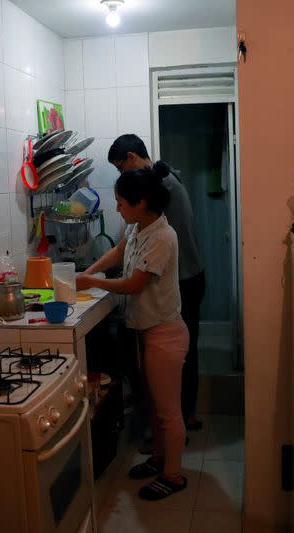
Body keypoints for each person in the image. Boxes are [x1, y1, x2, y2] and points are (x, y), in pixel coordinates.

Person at [76, 162, 189, 500]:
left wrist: (91, 282)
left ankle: (173, 475)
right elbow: (118, 252)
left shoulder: (163, 237)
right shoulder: (139, 227)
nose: (117, 208)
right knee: (153, 404)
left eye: (121, 203)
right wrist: (87, 272)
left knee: (168, 409)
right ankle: (159, 459)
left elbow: (136, 284)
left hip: (165, 334)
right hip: (146, 331)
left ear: (141, 202)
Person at [106, 134, 206, 431]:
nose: (122, 175)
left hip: (185, 279)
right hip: (191, 274)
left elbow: (135, 270)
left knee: (179, 356)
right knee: (185, 353)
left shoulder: (158, 190)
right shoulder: (166, 177)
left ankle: (176, 420)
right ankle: (178, 417)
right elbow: (126, 245)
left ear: (133, 158)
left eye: (120, 168)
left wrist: (93, 281)